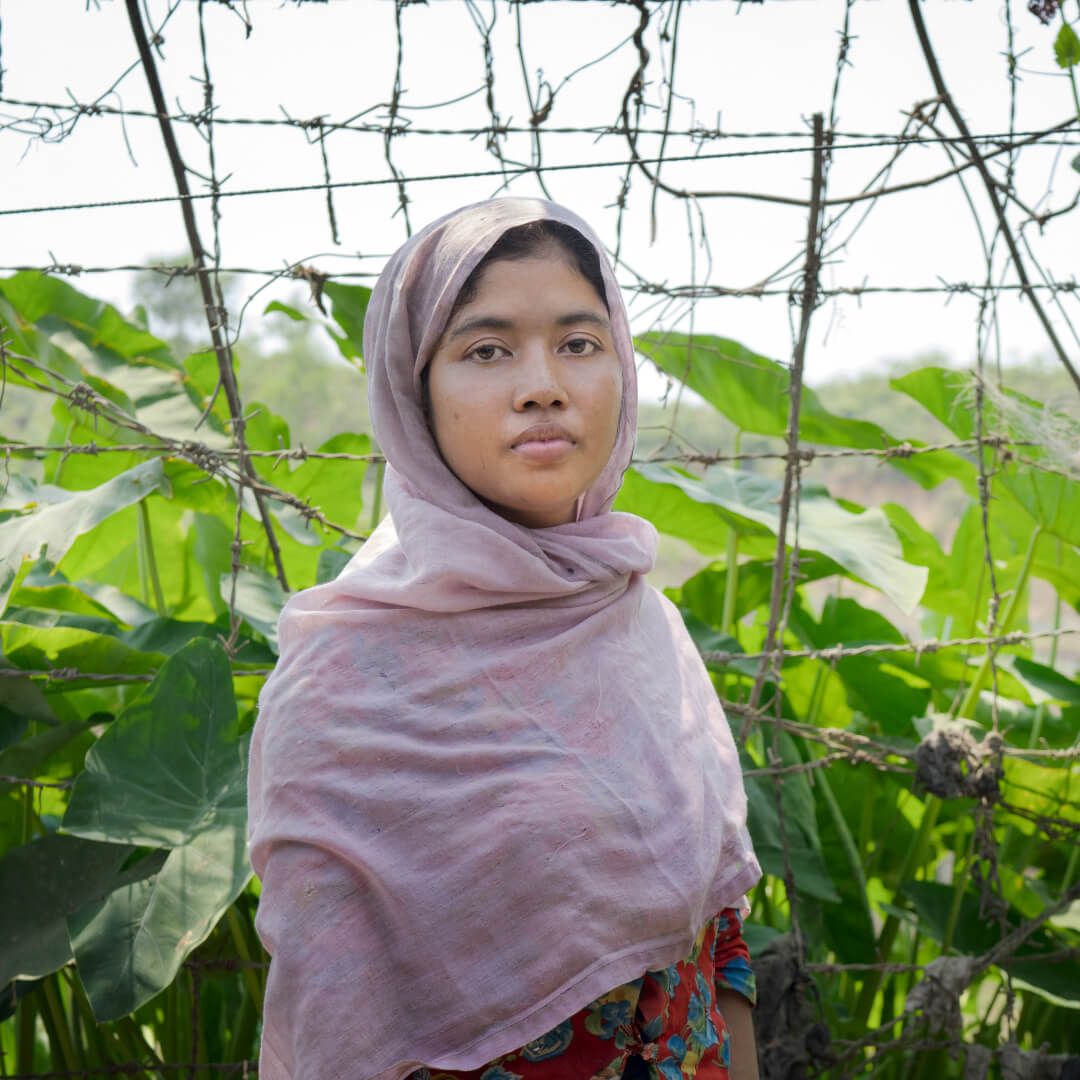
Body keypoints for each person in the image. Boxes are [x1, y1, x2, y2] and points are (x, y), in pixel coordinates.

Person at [247, 198, 762, 1080]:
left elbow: (718, 940)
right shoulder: (345, 681)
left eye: (579, 344)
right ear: (416, 390)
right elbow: (341, 1011)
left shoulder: (644, 625)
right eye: (487, 350)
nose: (543, 386)